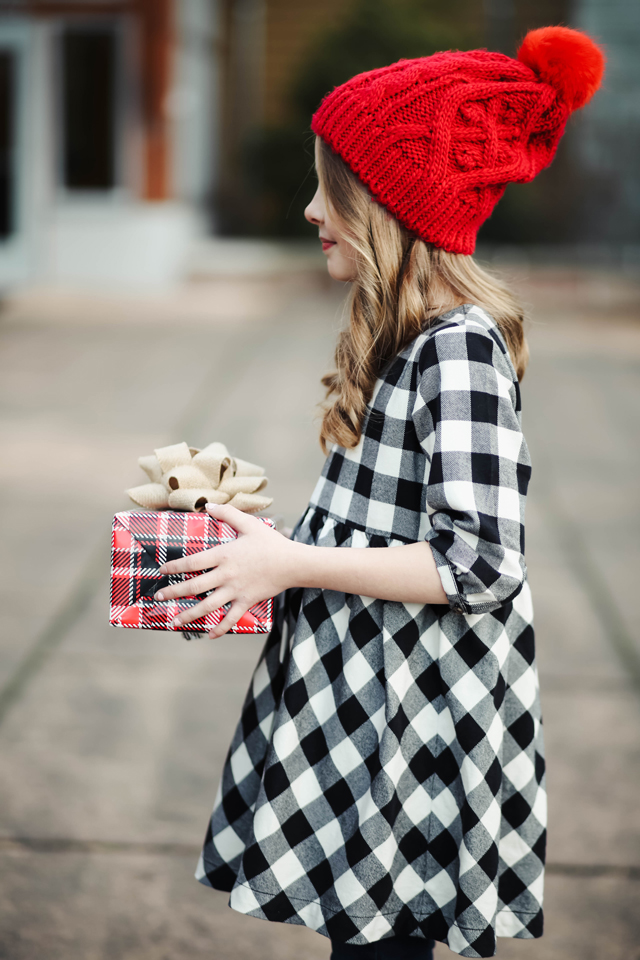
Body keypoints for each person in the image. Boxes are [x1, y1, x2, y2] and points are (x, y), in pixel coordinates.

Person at [154, 26, 604, 959]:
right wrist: (258, 541)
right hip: (370, 707)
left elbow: (481, 560)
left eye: (335, 187)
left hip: (415, 730)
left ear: (395, 205)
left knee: (386, 945)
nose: (312, 206)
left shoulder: (461, 348)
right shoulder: (404, 335)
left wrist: (287, 563)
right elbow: (385, 523)